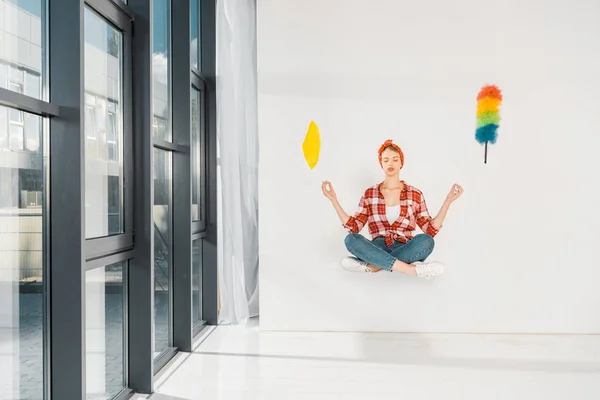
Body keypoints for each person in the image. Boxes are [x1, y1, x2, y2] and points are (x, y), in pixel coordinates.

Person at [321, 139, 463, 280]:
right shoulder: (370, 193)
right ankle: (410, 269)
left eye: (395, 159)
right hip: (376, 247)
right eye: (386, 160)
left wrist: (447, 201)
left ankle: (373, 266)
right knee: (351, 239)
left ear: (401, 163)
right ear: (381, 164)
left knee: (426, 241)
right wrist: (334, 200)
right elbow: (354, 227)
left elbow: (430, 230)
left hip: (406, 247)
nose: (390, 163)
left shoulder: (415, 194)